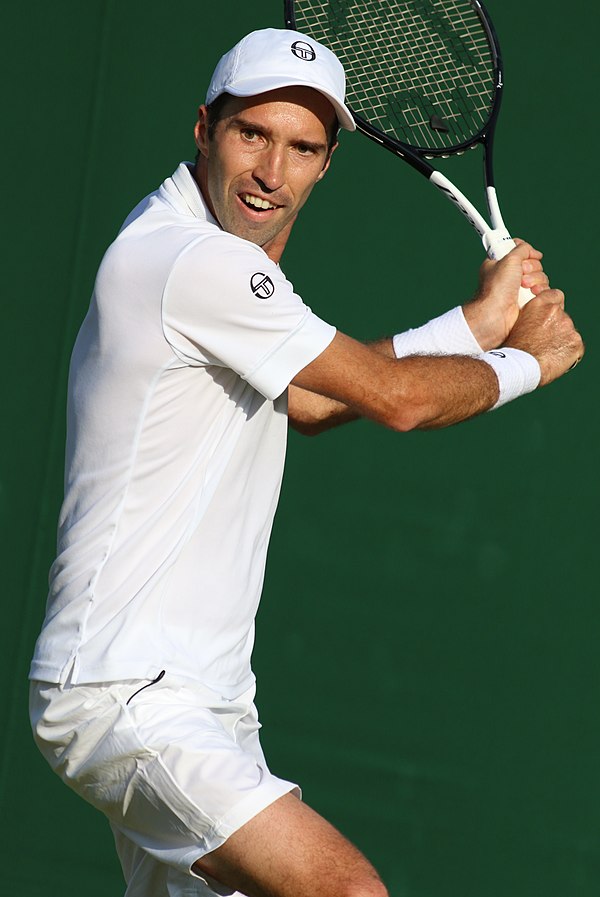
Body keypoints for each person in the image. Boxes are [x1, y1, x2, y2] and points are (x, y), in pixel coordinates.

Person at [29, 26, 582, 897]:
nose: (270, 172)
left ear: (326, 165)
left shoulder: (195, 247)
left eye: (301, 148)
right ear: (204, 127)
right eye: (253, 134)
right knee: (347, 891)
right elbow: (393, 400)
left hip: (202, 699)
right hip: (132, 692)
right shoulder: (192, 261)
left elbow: (317, 399)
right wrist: (528, 361)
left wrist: (476, 327)